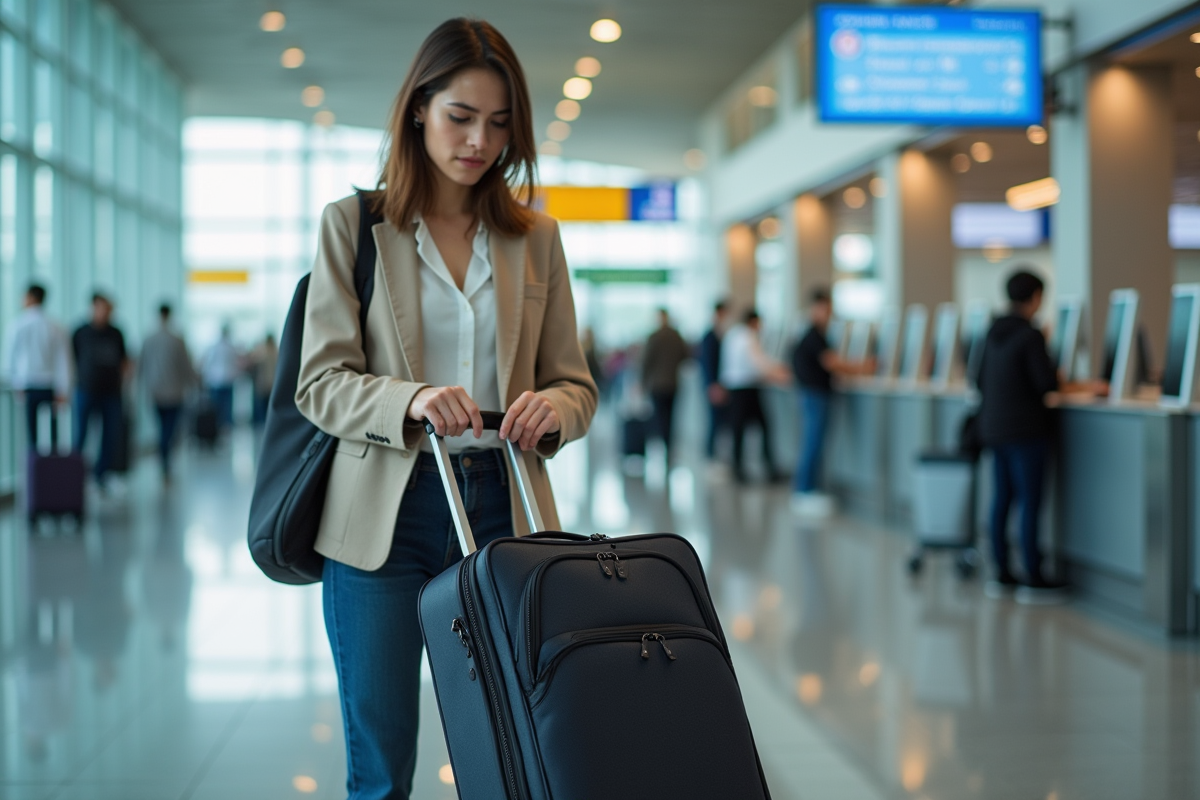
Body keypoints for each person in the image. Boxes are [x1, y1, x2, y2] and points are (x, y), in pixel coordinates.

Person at [293, 19, 597, 799]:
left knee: (512, 742)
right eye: (461, 117)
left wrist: (554, 411)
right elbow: (320, 382)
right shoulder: (354, 226)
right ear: (419, 109)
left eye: (499, 124)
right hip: (382, 517)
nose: (480, 141)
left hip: (503, 509)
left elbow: (577, 383)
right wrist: (413, 398)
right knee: (383, 756)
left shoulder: (536, 238)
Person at [977, 269, 1072, 604]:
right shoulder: (1030, 336)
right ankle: (1033, 575)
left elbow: (978, 380)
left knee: (1002, 499)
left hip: (995, 429)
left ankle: (1002, 572)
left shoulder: (992, 332)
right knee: (1030, 502)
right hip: (1026, 431)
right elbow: (1046, 385)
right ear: (1034, 298)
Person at [789, 288, 875, 517]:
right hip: (815, 396)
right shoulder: (814, 336)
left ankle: (808, 489)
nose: (828, 314)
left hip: (814, 395)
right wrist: (863, 367)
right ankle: (805, 490)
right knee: (813, 442)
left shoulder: (816, 335)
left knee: (813, 441)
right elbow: (832, 362)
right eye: (825, 308)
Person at [719, 309, 788, 484]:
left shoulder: (732, 335)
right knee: (763, 427)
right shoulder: (747, 336)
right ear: (754, 322)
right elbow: (758, 362)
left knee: (739, 429)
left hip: (735, 388)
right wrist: (779, 372)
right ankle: (767, 468)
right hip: (747, 388)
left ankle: (739, 468)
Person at [4, 284, 71, 450]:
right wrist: (64, 388)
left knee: (30, 433)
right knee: (52, 432)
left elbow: (9, 359)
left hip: (27, 384)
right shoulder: (55, 326)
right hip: (50, 385)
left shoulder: (17, 325)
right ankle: (52, 468)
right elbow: (63, 360)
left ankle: (34, 470)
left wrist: (14, 382)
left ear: (30, 298)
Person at [72, 294, 127, 487]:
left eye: (109, 309)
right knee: (80, 434)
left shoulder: (116, 333)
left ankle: (101, 475)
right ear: (93, 308)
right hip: (86, 390)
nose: (105, 313)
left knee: (110, 435)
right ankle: (74, 476)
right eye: (102, 308)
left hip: (111, 392)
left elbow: (124, 360)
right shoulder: (80, 332)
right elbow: (72, 359)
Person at [138, 304, 195, 483]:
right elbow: (186, 366)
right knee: (169, 430)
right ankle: (165, 461)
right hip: (174, 392)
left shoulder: (148, 339)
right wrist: (192, 384)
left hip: (155, 392)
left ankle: (164, 459)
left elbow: (142, 366)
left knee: (162, 427)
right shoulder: (177, 339)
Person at [641, 308, 690, 462]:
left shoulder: (654, 336)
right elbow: (685, 356)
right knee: (671, 417)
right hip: (673, 383)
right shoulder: (676, 336)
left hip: (657, 384)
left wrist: (642, 382)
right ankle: (669, 447)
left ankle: (661, 446)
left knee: (659, 417)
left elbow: (646, 362)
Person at [698, 300, 730, 462]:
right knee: (714, 422)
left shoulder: (720, 334)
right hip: (714, 386)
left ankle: (715, 455)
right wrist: (713, 385)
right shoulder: (710, 336)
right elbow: (707, 362)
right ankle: (711, 456)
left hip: (717, 384)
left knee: (718, 422)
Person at [199, 324, 241, 430]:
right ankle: (225, 426)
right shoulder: (231, 347)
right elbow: (236, 363)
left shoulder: (215, 347)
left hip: (216, 381)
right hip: (226, 380)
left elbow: (207, 363)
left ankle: (219, 425)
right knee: (226, 407)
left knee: (217, 406)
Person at [250, 333, 279, 425]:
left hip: (264, 383)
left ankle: (264, 423)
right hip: (273, 383)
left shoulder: (263, 353)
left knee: (263, 406)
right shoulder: (277, 352)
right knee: (270, 406)